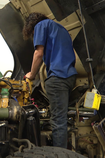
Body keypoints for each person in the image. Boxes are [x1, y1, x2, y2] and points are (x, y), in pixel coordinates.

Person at [23, 12, 77, 148]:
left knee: (58, 120)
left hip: (57, 78)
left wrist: (32, 74)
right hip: (69, 76)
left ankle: (59, 155)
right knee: (62, 118)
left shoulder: (41, 26)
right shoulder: (61, 29)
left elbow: (38, 53)